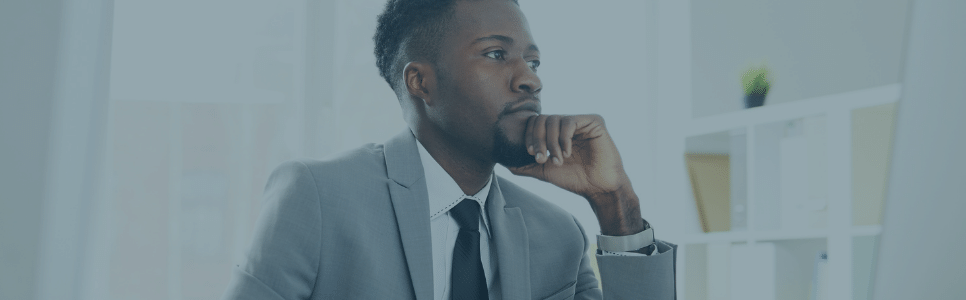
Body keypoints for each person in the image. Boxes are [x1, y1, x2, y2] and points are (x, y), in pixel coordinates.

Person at [227, 0, 676, 299]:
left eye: (533, 62)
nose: (531, 80)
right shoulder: (317, 197)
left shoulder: (558, 235)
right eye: (497, 55)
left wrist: (615, 202)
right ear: (421, 82)